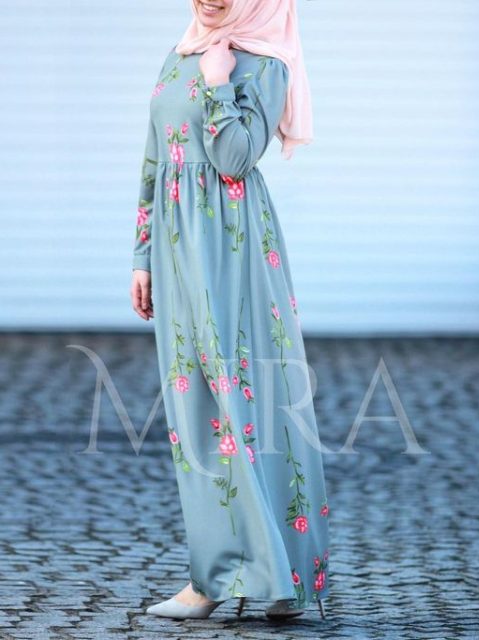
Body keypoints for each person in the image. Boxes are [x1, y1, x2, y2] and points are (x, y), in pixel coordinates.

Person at [130, 0, 330, 621]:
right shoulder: (179, 54)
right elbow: (155, 158)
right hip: (175, 248)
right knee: (194, 411)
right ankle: (213, 576)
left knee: (251, 402)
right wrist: (141, 255)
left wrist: (218, 85)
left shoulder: (267, 64)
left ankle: (284, 576)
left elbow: (235, 159)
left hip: (231, 247)